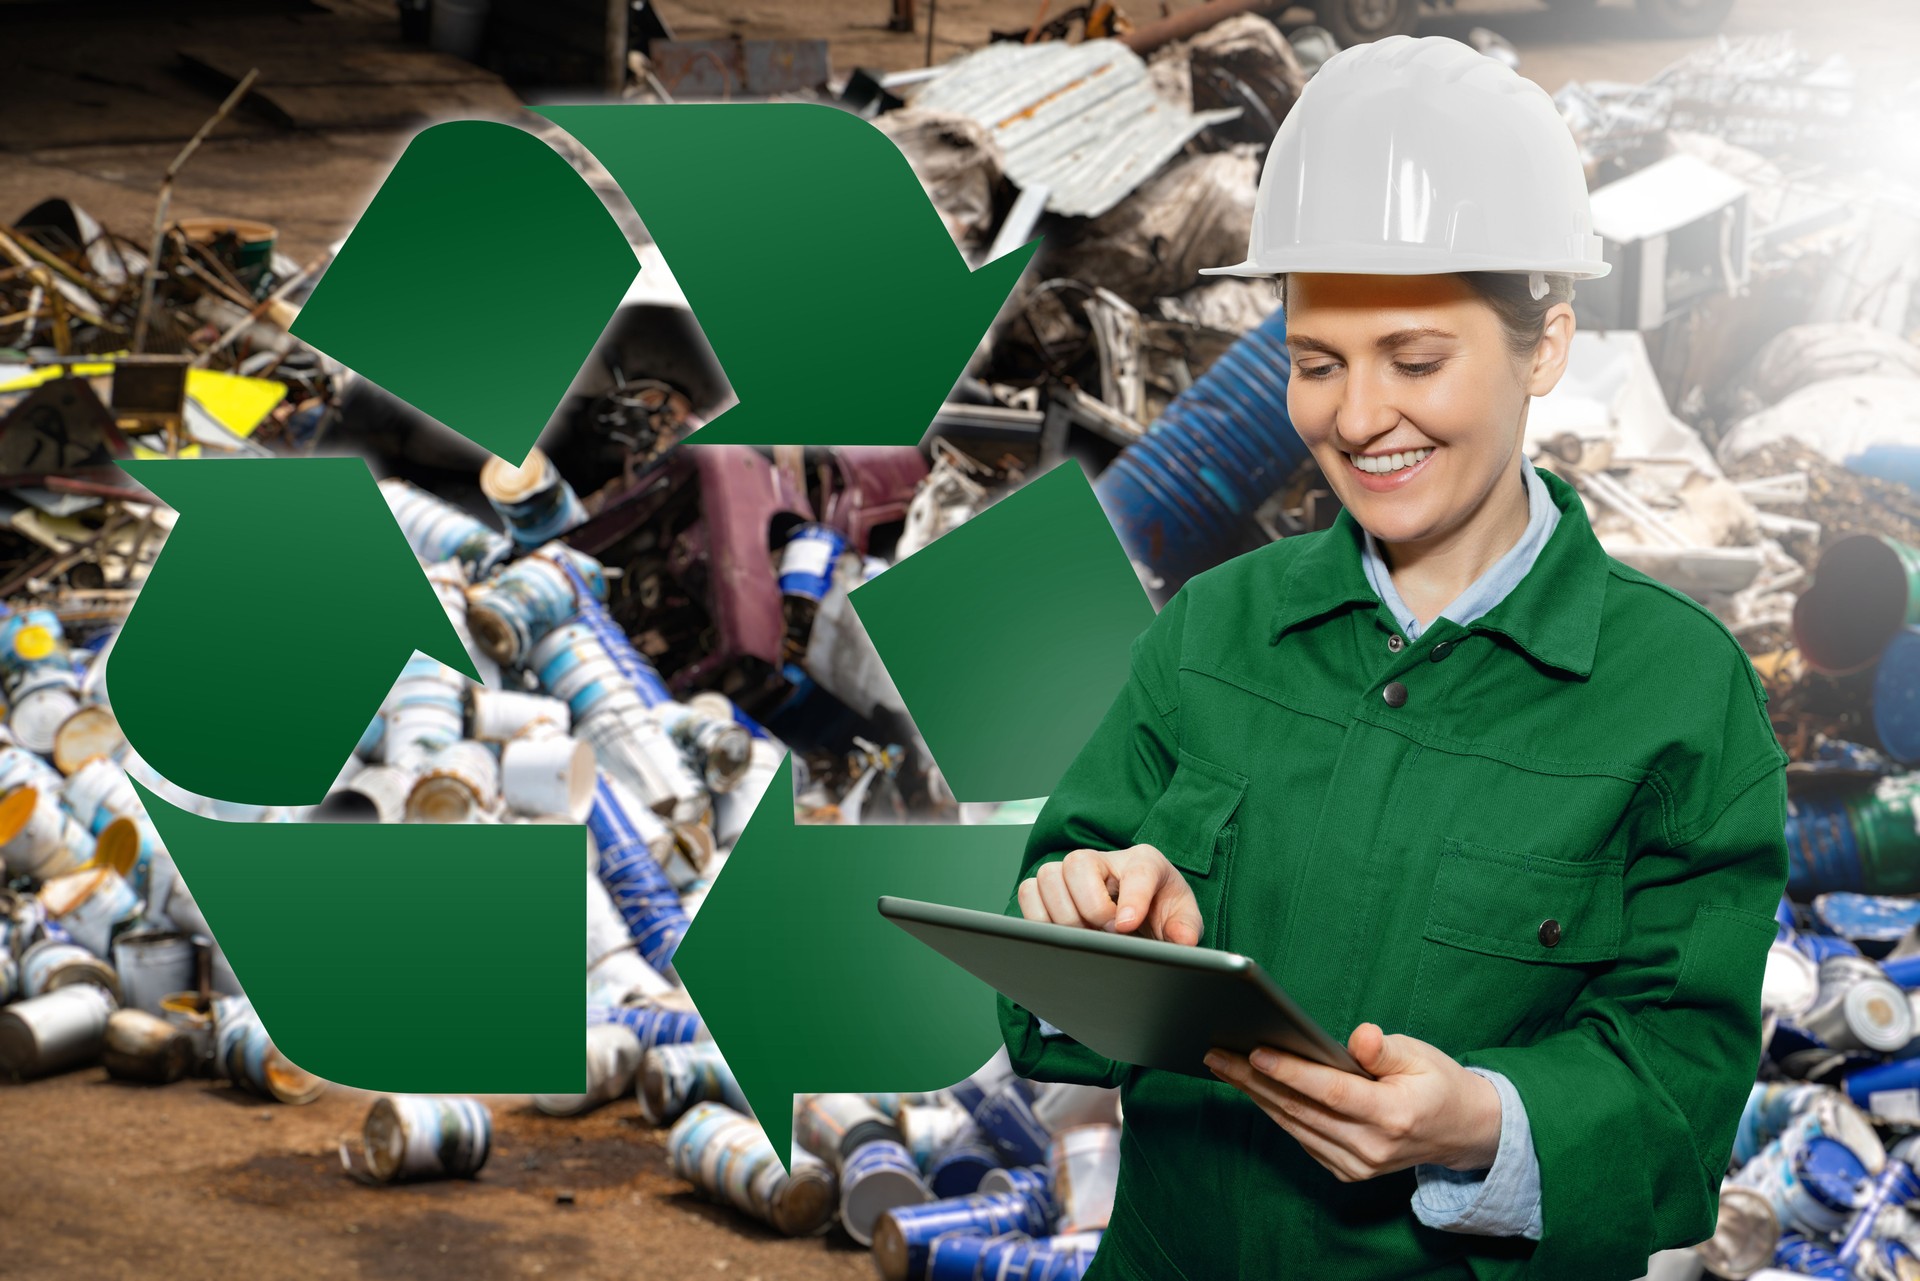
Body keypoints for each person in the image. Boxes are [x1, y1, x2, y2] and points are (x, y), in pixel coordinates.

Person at [999, 33, 1789, 1281]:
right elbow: (1053, 959)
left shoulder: (1678, 698)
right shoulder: (1215, 632)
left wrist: (1486, 1125)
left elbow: (1682, 1099)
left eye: (1416, 360)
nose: (1359, 419)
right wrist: (1082, 919)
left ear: (1544, 348)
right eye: (1318, 365)